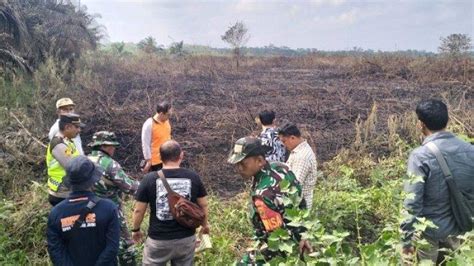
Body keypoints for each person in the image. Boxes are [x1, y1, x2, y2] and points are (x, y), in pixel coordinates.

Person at [401, 99, 474, 264]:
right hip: (461, 233)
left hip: (429, 237)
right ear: (447, 120)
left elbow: (412, 203)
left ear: (421, 124)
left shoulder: (420, 156)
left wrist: (407, 243)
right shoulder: (470, 150)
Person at [228, 137, 311, 264]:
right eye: (237, 164)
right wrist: (303, 234)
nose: (239, 168)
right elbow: (300, 200)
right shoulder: (280, 167)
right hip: (300, 234)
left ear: (260, 160)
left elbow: (275, 237)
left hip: (280, 249)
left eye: (243, 164)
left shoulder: (262, 195)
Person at [132, 140, 209, 266]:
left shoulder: (149, 179)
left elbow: (139, 210)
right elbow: (203, 204)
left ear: (160, 157)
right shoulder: (193, 177)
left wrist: (135, 230)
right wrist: (205, 225)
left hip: (158, 240)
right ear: (181, 155)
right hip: (186, 239)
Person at [47, 155, 120, 266]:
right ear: (93, 180)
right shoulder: (109, 208)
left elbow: (56, 251)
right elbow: (112, 247)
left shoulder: (56, 213)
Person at [87, 131, 140, 266]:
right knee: (124, 244)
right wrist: (145, 186)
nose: (114, 149)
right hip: (111, 209)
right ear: (104, 146)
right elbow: (129, 187)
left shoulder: (84, 161)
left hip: (88, 209)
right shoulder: (110, 164)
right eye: (112, 146)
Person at [278, 123, 318, 210]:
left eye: (284, 141)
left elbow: (295, 186)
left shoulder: (302, 157)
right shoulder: (297, 151)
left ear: (292, 138)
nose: (283, 145)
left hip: (299, 207)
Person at [46, 113, 83, 206]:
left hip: (67, 189)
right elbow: (73, 167)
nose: (79, 130)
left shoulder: (68, 141)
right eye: (77, 127)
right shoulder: (58, 144)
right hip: (61, 192)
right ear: (67, 127)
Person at [141, 101, 172, 173]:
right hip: (156, 162)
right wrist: (148, 160)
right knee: (158, 182)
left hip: (167, 159)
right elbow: (145, 144)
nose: (169, 117)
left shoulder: (167, 122)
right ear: (161, 114)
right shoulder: (149, 124)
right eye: (168, 114)